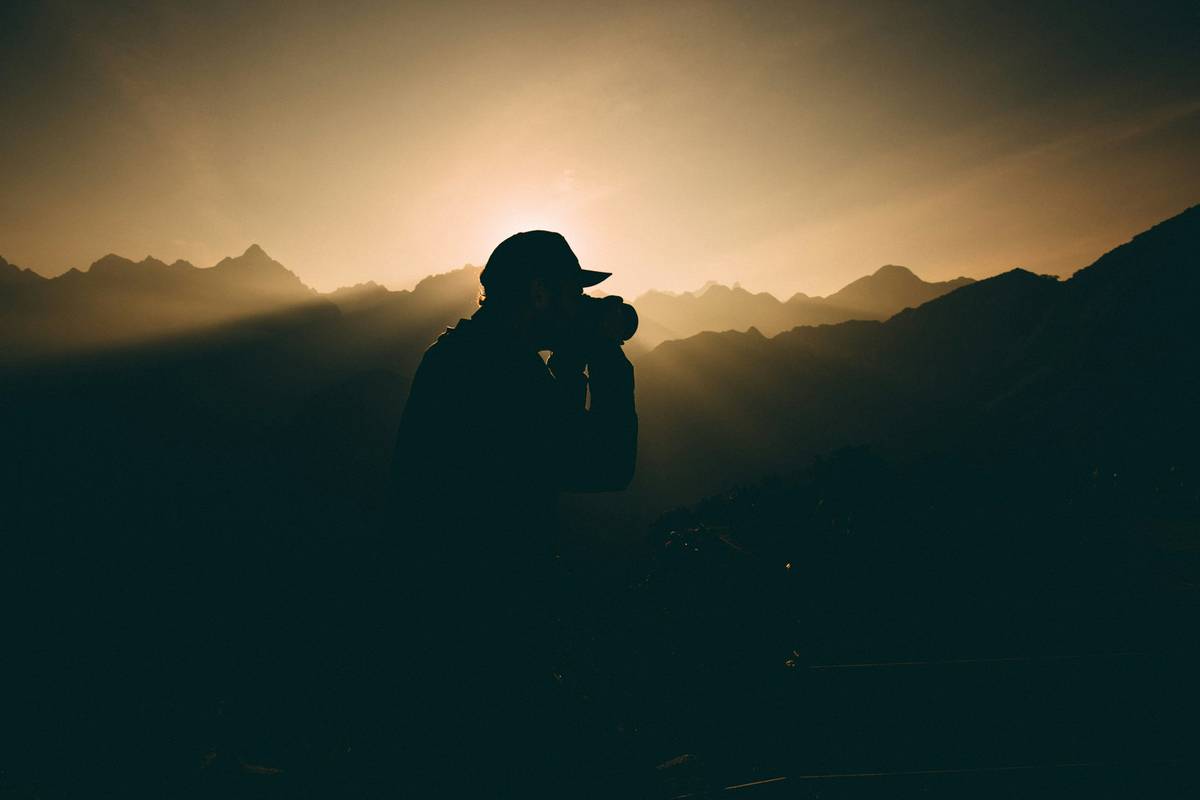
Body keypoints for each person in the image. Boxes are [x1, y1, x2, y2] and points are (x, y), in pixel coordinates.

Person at [387, 230, 638, 796]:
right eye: (573, 292)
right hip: (483, 640)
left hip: (440, 628)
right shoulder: (501, 371)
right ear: (540, 293)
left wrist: (569, 365)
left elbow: (550, 452)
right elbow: (605, 466)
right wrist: (608, 360)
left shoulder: (463, 357)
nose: (580, 305)